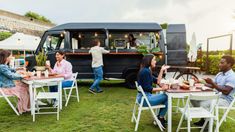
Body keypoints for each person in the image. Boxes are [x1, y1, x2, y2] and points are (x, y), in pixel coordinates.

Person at [191, 55, 235, 126]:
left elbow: (226, 91)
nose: (219, 64)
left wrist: (212, 83)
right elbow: (212, 85)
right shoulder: (220, 74)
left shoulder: (232, 76)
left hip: (225, 100)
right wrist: (200, 82)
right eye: (220, 63)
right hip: (215, 96)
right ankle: (204, 119)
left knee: (204, 104)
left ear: (229, 64)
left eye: (222, 63)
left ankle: (207, 124)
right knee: (194, 98)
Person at [137, 54, 170, 128]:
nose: (155, 61)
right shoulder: (145, 72)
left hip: (143, 97)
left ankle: (160, 117)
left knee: (165, 97)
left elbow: (157, 81)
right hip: (145, 99)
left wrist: (161, 70)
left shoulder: (146, 70)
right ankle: (160, 118)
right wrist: (162, 89)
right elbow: (148, 88)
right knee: (166, 97)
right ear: (149, 61)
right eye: (154, 60)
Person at [0, 50, 30, 114]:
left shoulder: (3, 66)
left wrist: (18, 69)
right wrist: (22, 75)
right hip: (5, 88)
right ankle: (23, 108)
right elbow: (11, 76)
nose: (12, 57)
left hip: (7, 86)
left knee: (25, 85)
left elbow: (10, 70)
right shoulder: (2, 67)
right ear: (6, 57)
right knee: (24, 88)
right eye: (10, 56)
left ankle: (27, 105)